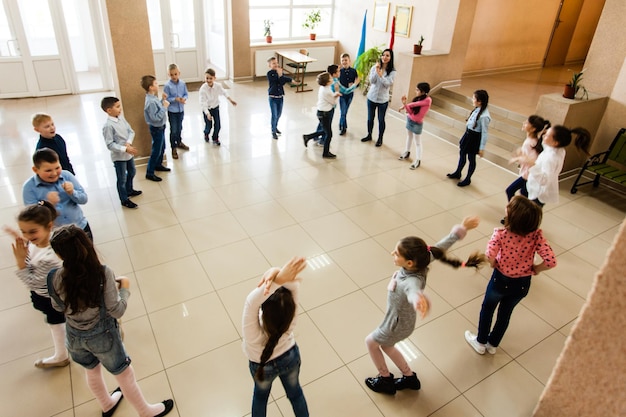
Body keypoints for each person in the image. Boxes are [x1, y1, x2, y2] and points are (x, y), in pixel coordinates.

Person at [47, 225, 174, 417]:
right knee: (124, 374)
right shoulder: (102, 273)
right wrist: (124, 288)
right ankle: (146, 412)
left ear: (59, 254)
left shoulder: (53, 277)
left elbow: (57, 307)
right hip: (103, 336)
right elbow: (117, 310)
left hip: (73, 336)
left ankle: (107, 404)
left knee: (92, 371)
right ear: (86, 245)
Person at [365, 217, 486, 395]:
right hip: (403, 320)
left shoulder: (411, 280)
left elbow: (413, 290)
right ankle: (409, 378)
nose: (393, 254)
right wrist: (461, 229)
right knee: (386, 346)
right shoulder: (423, 259)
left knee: (371, 342)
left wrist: (418, 300)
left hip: (395, 324)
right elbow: (441, 246)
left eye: (397, 253)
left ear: (409, 263)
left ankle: (385, 379)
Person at [465, 196, 556, 355]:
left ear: (512, 217)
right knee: (505, 314)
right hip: (522, 283)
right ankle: (493, 344)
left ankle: (480, 341)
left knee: (488, 309)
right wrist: (536, 269)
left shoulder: (500, 234)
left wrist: (494, 264)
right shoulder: (536, 236)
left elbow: (489, 256)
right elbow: (551, 261)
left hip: (500, 279)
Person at [3, 201, 68, 368]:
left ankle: (61, 355)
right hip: (50, 294)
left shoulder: (50, 257)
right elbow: (32, 253)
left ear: (49, 225)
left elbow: (32, 282)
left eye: (32, 231)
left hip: (50, 297)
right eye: (23, 231)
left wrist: (20, 262)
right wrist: (21, 239)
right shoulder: (39, 241)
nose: (27, 236)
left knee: (56, 323)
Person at [243, 257, 309, 417]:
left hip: (262, 366)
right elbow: (293, 286)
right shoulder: (290, 320)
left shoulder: (252, 335)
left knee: (260, 398)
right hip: (290, 357)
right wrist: (277, 273)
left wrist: (276, 276)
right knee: (295, 394)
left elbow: (252, 301)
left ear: (263, 310)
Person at [22, 148, 92, 240]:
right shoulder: (29, 187)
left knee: (88, 253)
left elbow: (84, 199)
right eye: (48, 170)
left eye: (57, 168)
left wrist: (72, 192)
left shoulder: (67, 176)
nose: (54, 173)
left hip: (80, 227)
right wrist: (49, 205)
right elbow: (33, 218)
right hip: (56, 235)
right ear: (35, 170)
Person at [526, 125, 591, 207]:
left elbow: (544, 180)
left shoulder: (550, 158)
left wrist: (532, 165)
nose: (543, 135)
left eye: (546, 135)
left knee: (530, 213)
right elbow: (546, 145)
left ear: (555, 142)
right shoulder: (559, 150)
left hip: (538, 192)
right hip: (537, 189)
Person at [101, 96, 142, 209]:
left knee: (132, 171)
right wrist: (124, 149)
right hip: (119, 157)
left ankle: (129, 190)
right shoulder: (108, 126)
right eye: (118, 107)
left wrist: (128, 142)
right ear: (109, 110)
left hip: (128, 154)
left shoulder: (121, 118)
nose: (120, 109)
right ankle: (124, 199)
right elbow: (110, 144)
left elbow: (131, 131)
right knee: (121, 178)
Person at [447, 89, 491, 187]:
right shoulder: (477, 108)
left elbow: (484, 133)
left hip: (474, 138)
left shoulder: (484, 117)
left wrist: (482, 148)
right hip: (468, 134)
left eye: (473, 98)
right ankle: (458, 172)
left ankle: (468, 178)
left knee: (471, 158)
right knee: (462, 153)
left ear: (479, 101)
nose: (472, 99)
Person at [505, 115, 550, 202]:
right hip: (527, 175)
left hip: (527, 176)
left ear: (533, 129)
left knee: (511, 191)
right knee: (523, 196)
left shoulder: (529, 142)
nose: (524, 123)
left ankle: (514, 210)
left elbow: (532, 161)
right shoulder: (533, 141)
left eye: (527, 123)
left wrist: (517, 158)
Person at [361, 48, 396, 147]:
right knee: (370, 118)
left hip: (382, 100)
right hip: (371, 97)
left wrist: (381, 76)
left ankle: (380, 138)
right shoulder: (375, 67)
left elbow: (387, 84)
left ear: (391, 58)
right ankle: (369, 134)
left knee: (381, 119)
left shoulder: (392, 71)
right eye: (383, 55)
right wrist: (377, 71)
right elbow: (372, 81)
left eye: (387, 56)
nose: (384, 57)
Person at [302, 72, 341, 158]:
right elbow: (333, 102)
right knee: (329, 134)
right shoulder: (327, 91)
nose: (332, 79)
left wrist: (334, 95)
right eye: (330, 78)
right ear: (327, 82)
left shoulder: (324, 88)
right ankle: (326, 153)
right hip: (325, 114)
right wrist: (337, 93)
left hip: (323, 112)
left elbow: (330, 98)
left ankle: (308, 137)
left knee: (325, 130)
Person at [141, 74, 171, 182]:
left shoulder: (153, 98)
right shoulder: (150, 102)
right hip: (156, 128)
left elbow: (156, 108)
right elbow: (155, 117)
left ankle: (158, 164)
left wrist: (162, 100)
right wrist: (164, 108)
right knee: (156, 150)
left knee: (162, 147)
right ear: (150, 87)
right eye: (156, 83)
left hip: (160, 127)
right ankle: (150, 172)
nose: (158, 85)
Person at [199, 67, 237, 146]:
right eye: (207, 78)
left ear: (214, 78)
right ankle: (206, 133)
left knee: (218, 125)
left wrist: (230, 100)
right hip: (207, 110)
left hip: (215, 108)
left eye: (211, 78)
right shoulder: (203, 89)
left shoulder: (218, 86)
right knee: (208, 126)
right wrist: (207, 113)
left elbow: (224, 92)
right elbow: (203, 103)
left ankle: (215, 138)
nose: (209, 80)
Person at [398, 82, 432, 169]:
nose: (415, 91)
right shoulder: (417, 99)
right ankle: (407, 152)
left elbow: (415, 105)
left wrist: (405, 105)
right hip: (410, 120)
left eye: (417, 90)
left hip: (417, 123)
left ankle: (418, 160)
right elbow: (410, 112)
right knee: (409, 137)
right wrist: (405, 104)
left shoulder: (427, 100)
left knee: (417, 142)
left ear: (423, 91)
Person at [163, 63, 189, 159]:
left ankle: (179, 142)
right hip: (172, 111)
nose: (174, 76)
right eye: (171, 74)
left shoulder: (183, 83)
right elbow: (166, 99)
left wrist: (184, 99)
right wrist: (175, 99)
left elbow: (186, 94)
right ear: (168, 75)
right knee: (173, 130)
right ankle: (173, 147)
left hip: (181, 110)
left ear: (179, 73)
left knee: (179, 128)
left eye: (175, 74)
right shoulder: (167, 86)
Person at [266, 56, 292, 140]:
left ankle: (275, 126)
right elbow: (275, 81)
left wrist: (289, 79)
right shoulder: (270, 74)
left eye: (277, 63)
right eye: (273, 63)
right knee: (274, 114)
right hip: (273, 97)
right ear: (269, 65)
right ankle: (273, 131)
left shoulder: (280, 72)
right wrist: (280, 75)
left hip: (280, 97)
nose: (276, 64)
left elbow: (282, 82)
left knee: (279, 114)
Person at [338, 53, 359, 136]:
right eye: (342, 60)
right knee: (343, 111)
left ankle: (341, 124)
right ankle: (343, 127)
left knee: (345, 111)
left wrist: (354, 85)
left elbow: (357, 82)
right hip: (342, 94)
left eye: (346, 60)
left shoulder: (353, 71)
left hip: (350, 94)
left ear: (349, 61)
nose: (344, 62)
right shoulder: (339, 71)